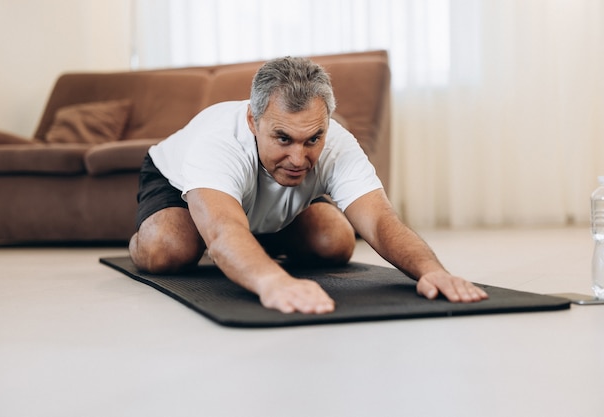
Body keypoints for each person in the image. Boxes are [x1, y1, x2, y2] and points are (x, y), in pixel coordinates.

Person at [129, 56, 488, 314]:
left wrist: (433, 271)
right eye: (283, 138)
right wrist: (272, 281)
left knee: (334, 240)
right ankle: (159, 234)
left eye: (312, 139)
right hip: (178, 184)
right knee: (168, 249)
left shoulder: (337, 141)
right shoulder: (218, 142)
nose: (299, 159)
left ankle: (255, 238)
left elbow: (380, 220)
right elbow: (222, 232)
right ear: (254, 122)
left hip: (263, 206)